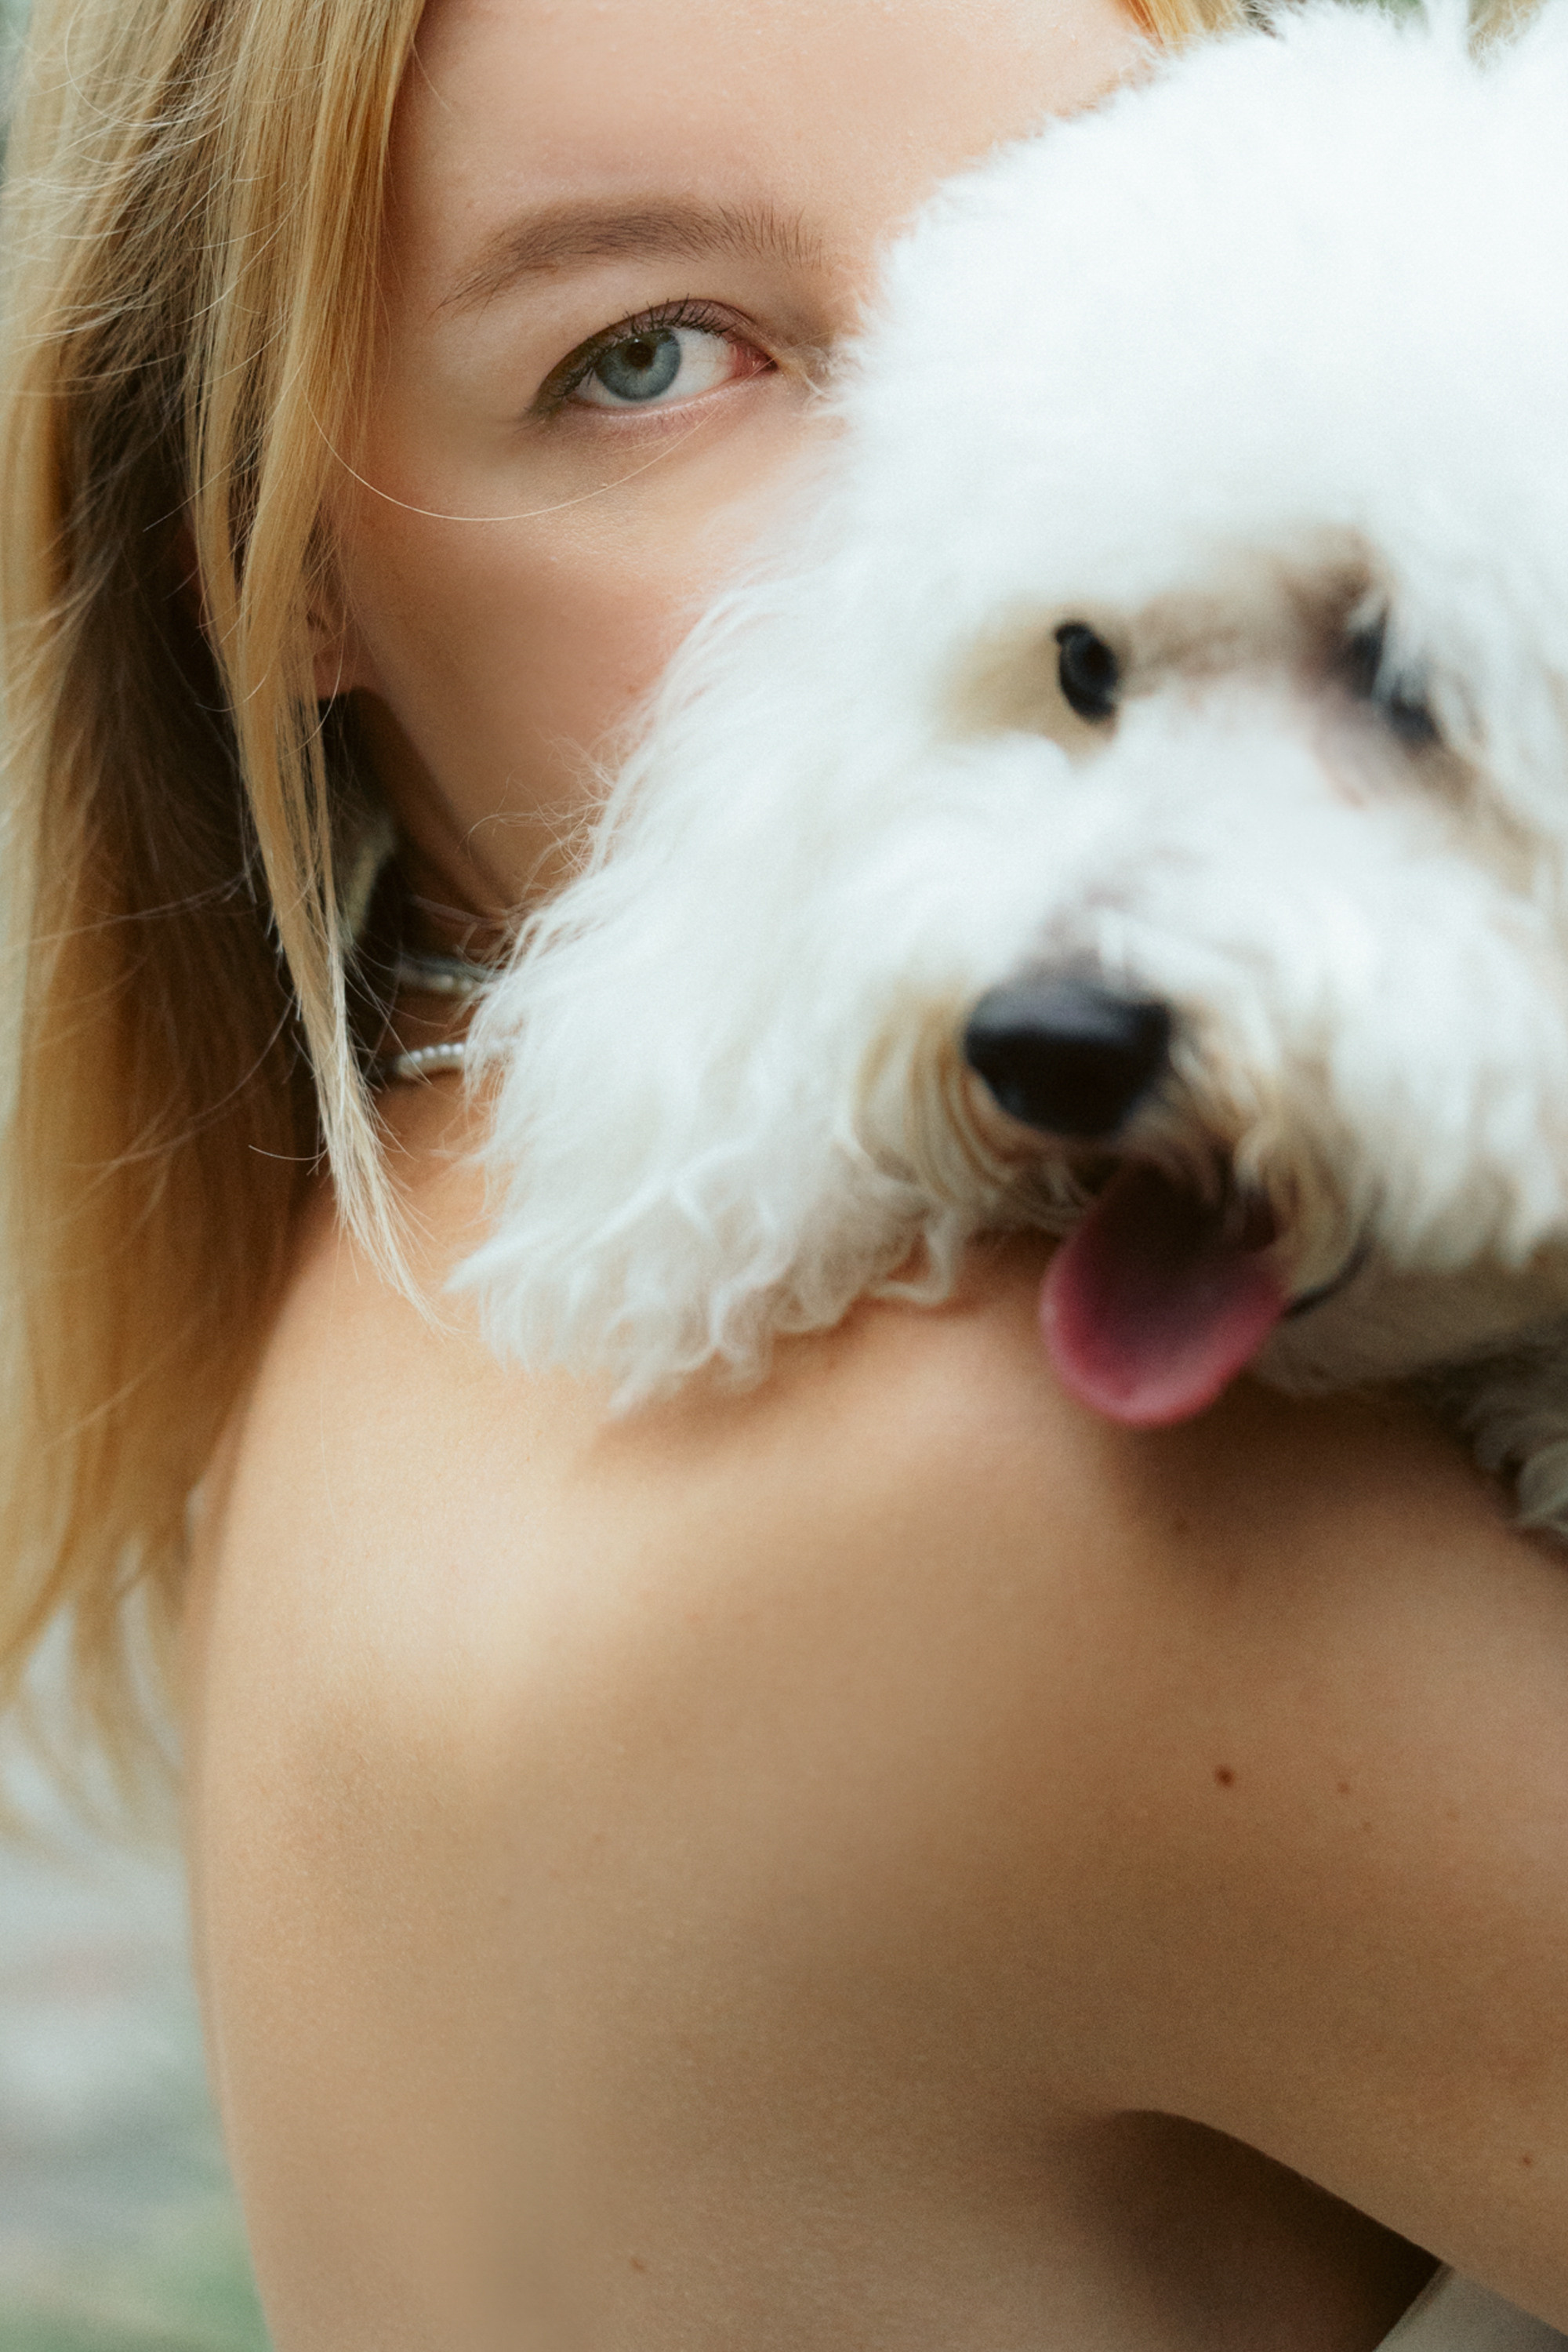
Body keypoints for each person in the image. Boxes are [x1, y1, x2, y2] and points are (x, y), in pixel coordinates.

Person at [2, 0, 1567, 2344]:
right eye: (648, 358)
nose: (904, 513)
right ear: (271, 559)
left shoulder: (427, 1296)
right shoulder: (1023, 1494)